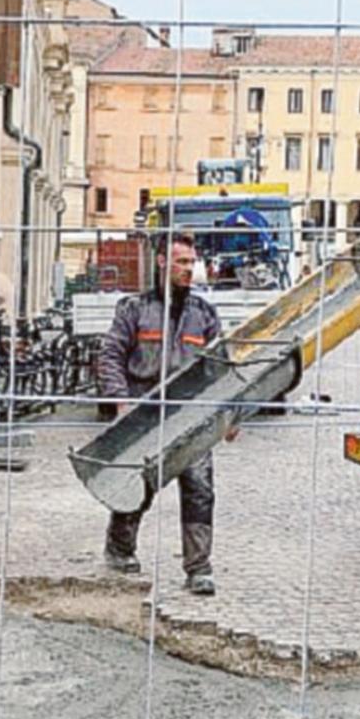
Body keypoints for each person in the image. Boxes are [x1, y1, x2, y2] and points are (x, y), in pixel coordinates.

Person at [96, 233, 235, 596]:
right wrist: (121, 401)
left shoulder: (204, 314)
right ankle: (119, 547)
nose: (190, 269)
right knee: (137, 486)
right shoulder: (134, 309)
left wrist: (229, 415)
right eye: (182, 262)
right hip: (143, 414)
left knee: (200, 489)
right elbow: (111, 356)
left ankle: (198, 568)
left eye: (192, 262)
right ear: (162, 262)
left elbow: (219, 369)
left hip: (190, 418)